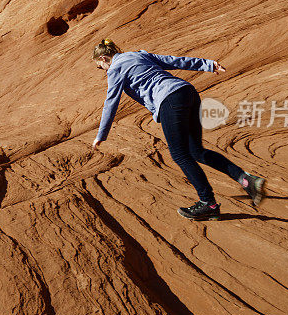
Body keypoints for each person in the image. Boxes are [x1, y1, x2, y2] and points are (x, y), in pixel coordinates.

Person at [91, 39, 266, 220]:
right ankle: (247, 180)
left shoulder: (114, 69)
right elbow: (174, 61)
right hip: (187, 92)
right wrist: (208, 65)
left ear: (104, 58)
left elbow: (111, 102)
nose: (103, 70)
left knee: (180, 155)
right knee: (196, 151)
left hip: (169, 100)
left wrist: (101, 135)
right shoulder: (139, 54)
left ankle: (209, 204)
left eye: (100, 67)